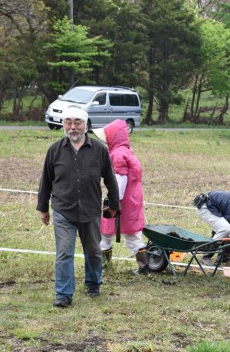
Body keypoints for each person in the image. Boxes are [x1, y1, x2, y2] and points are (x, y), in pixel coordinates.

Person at [36, 105, 120, 308]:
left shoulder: (100, 150)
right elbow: (46, 180)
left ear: (85, 124)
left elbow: (110, 179)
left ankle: (93, 284)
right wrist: (43, 208)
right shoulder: (55, 150)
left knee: (93, 251)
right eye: (68, 122)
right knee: (64, 252)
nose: (73, 127)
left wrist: (114, 205)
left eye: (77, 122)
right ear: (63, 124)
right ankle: (63, 294)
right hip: (63, 210)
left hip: (91, 210)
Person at [92, 120, 148, 275]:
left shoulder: (117, 154)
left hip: (122, 201)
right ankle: (144, 267)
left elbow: (120, 180)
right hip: (132, 200)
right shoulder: (126, 151)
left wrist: (113, 202)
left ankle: (104, 266)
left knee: (105, 232)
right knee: (132, 234)